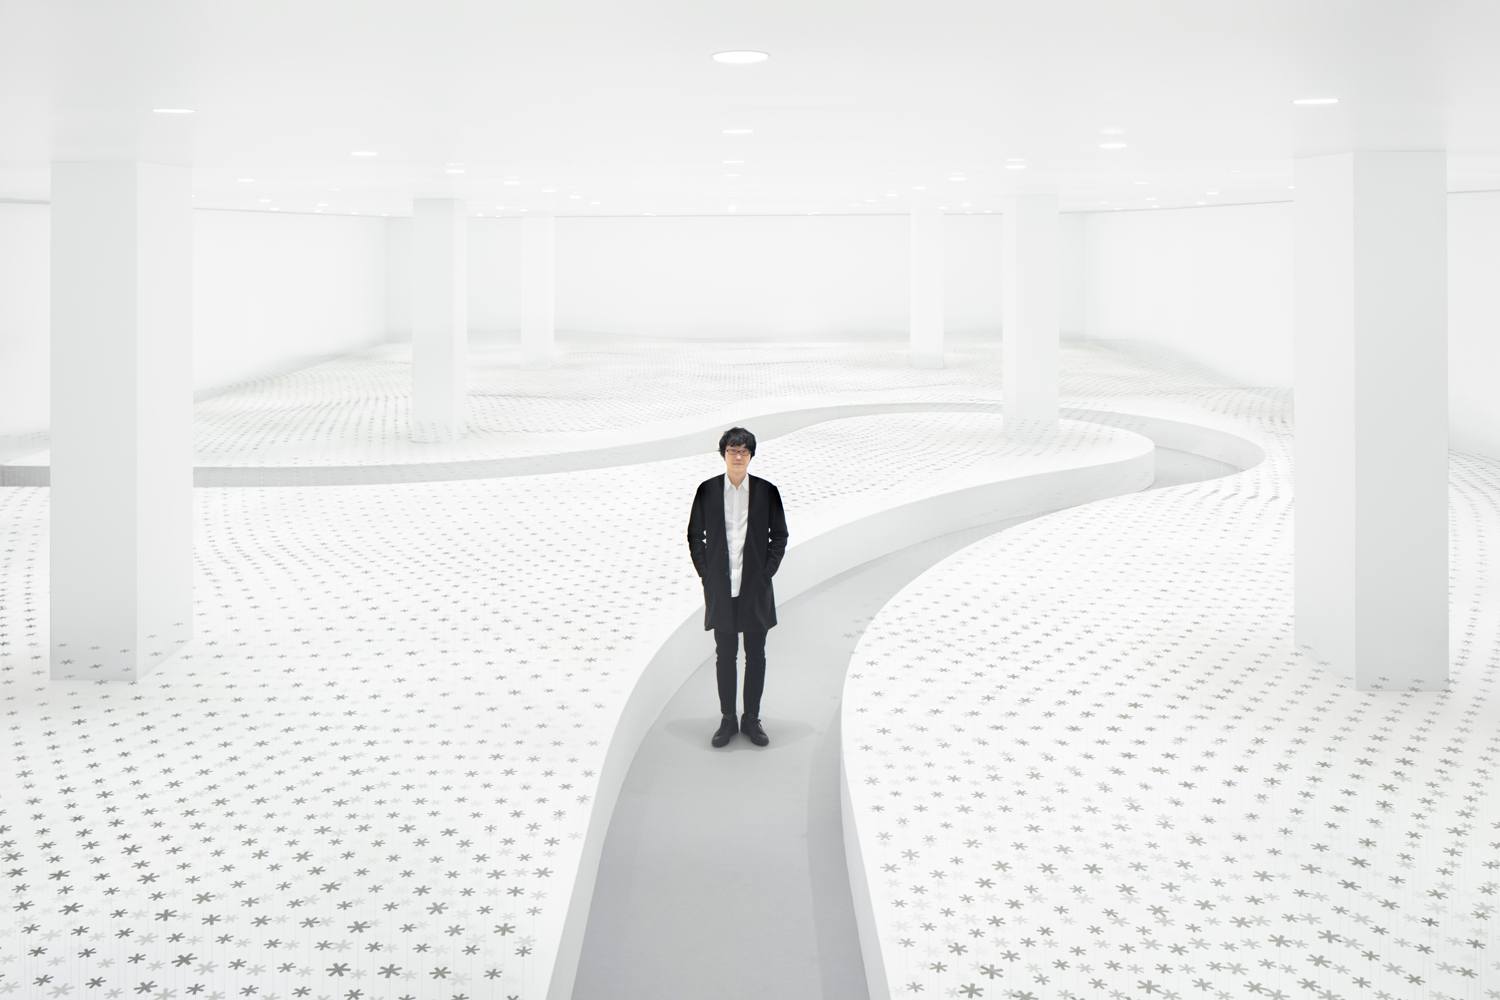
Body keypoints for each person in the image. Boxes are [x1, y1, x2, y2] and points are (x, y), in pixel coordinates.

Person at [686, 426, 788, 748]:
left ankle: (752, 719)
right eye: (733, 450)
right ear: (724, 454)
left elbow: (780, 536)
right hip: (721, 588)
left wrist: (766, 573)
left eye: (744, 450)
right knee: (725, 656)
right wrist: (707, 574)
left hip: (755, 589)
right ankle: (728, 719)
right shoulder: (707, 491)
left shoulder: (767, 491)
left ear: (751, 455)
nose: (738, 455)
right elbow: (694, 536)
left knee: (756, 656)